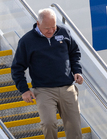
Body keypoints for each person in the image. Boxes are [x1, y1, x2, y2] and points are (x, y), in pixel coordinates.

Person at [11, 8, 84, 139]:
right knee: (49, 123)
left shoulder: (64, 32)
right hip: (43, 90)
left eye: (53, 27)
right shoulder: (27, 41)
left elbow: (74, 54)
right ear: (38, 24)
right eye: (47, 28)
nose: (51, 31)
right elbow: (17, 68)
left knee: (74, 126)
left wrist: (77, 71)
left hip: (67, 88)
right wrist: (24, 90)